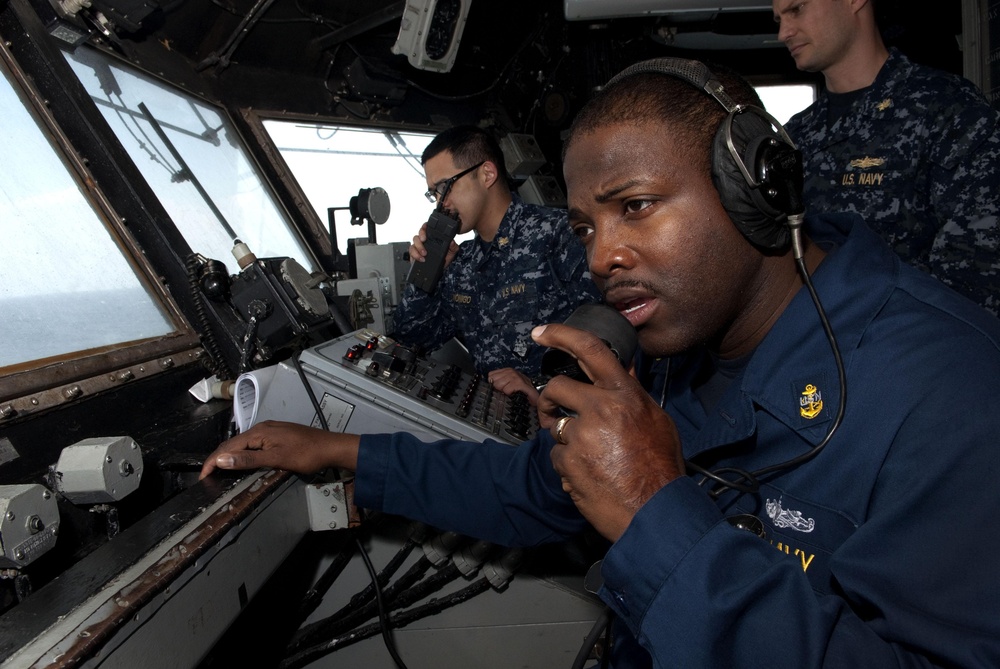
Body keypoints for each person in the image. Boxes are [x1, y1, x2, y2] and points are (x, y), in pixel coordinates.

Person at [201, 59, 1000, 667]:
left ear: (754, 187)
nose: (603, 255)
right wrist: (343, 453)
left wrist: (659, 517)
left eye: (636, 206)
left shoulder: (952, 394)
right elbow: (529, 490)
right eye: (585, 227)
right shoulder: (684, 359)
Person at [774, 0, 1000, 315]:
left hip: (915, 351)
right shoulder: (793, 137)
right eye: (778, 19)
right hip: (812, 349)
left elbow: (978, 272)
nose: (784, 32)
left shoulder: (946, 109)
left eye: (796, 9)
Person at [392, 125, 601, 400]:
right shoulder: (461, 263)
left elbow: (607, 338)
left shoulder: (559, 235)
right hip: (496, 423)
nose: (440, 205)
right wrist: (427, 271)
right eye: (434, 194)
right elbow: (410, 339)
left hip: (566, 418)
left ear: (487, 174)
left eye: (445, 187)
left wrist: (539, 387)